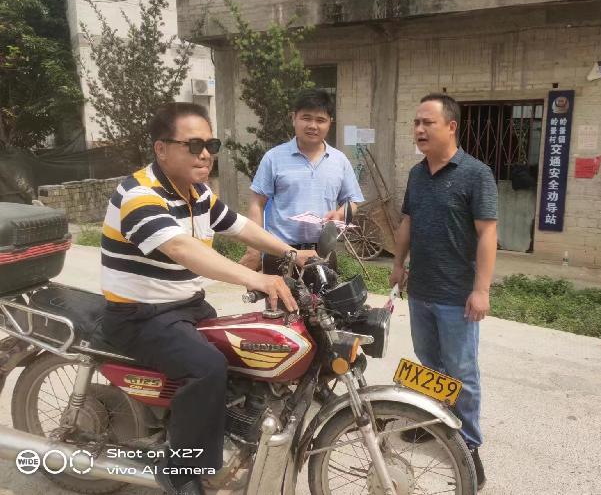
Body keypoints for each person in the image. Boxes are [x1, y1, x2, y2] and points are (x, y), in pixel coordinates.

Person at [100, 102, 315, 495]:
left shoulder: (197, 193)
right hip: (140, 315)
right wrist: (257, 277)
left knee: (246, 351)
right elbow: (182, 249)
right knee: (207, 368)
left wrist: (292, 253)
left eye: (210, 145)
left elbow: (241, 226)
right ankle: (181, 473)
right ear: (161, 149)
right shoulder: (139, 195)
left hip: (187, 305)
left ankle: (223, 435)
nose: (205, 154)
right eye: (193, 145)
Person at [390, 93, 498, 491]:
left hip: (457, 296)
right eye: (416, 123)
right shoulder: (417, 174)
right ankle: (430, 421)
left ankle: (468, 445)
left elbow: (487, 233)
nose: (419, 130)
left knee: (462, 372)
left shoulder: (476, 174)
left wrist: (481, 289)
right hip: (421, 290)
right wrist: (398, 263)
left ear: (451, 127)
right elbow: (408, 221)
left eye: (428, 123)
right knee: (429, 364)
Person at [240, 89, 364, 274]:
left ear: (330, 123)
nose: (313, 126)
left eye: (320, 120)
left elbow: (352, 202)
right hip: (281, 253)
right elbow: (257, 204)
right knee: (280, 295)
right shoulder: (274, 158)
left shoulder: (339, 160)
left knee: (324, 295)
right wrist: (253, 250)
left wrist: (339, 214)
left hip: (322, 254)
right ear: (293, 118)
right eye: (306, 118)